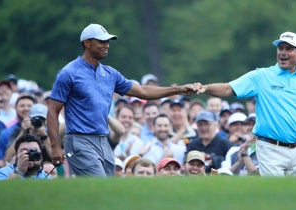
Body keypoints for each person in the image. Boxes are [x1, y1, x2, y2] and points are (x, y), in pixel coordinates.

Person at [47, 23, 196, 177]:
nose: (107, 46)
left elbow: (143, 91)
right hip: (79, 140)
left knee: (107, 191)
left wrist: (178, 90)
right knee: (100, 186)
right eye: (102, 42)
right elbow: (52, 111)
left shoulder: (110, 74)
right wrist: (55, 146)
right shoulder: (68, 73)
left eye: (108, 42)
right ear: (87, 43)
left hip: (103, 140)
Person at [194, 31, 296, 176]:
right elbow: (228, 88)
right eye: (281, 48)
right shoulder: (261, 76)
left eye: (288, 48)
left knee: (295, 195)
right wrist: (205, 88)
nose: (283, 52)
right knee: (275, 194)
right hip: (270, 148)